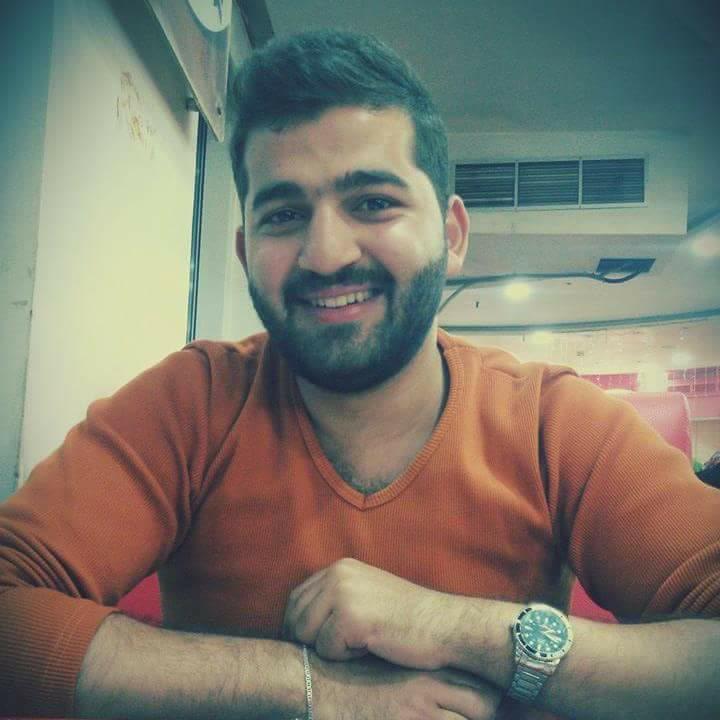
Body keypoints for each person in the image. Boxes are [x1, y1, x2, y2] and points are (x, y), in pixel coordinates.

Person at [1, 29, 719, 720]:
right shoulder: (189, 405)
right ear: (246, 252)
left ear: (453, 234)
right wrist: (312, 689)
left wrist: (452, 627)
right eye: (284, 214)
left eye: (373, 203)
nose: (325, 253)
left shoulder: (553, 423)